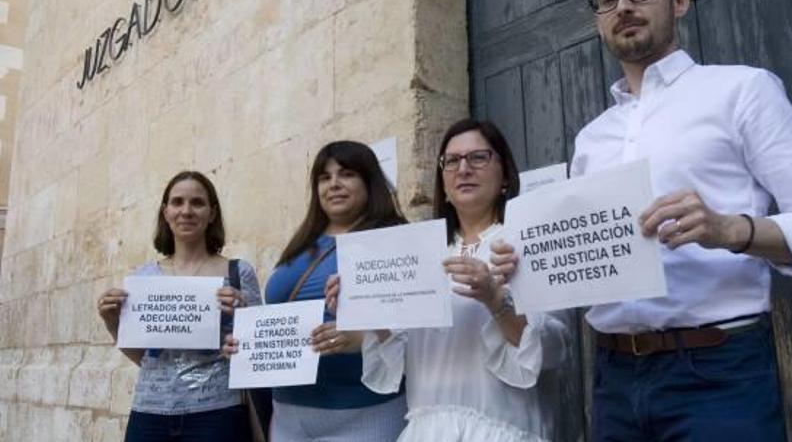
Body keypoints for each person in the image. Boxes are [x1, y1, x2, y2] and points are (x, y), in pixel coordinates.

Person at [495, 0, 792, 440]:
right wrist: (525, 264)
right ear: (599, 19)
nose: (623, 5)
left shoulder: (742, 91)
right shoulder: (591, 139)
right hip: (613, 378)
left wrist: (732, 229)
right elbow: (583, 265)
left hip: (719, 373)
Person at [327, 119, 571, 441]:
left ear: (505, 175)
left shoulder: (527, 240)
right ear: (443, 181)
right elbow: (400, 355)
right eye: (452, 161)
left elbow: (555, 347)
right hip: (428, 428)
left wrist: (497, 302)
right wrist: (366, 306)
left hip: (500, 425)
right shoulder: (421, 253)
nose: (463, 169)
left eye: (478, 158)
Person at [224, 140, 407, 441]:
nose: (334, 184)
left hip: (364, 411)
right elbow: (281, 316)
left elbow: (418, 329)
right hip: (289, 414)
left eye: (346, 174)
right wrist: (247, 340)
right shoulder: (301, 245)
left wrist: (364, 338)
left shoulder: (394, 238)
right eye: (324, 177)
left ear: (369, 180)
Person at [97, 171, 262, 442]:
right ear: (166, 212)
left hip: (218, 413)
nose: (186, 211)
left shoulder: (238, 272)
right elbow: (144, 357)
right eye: (177, 202)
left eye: (197, 203)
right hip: (149, 414)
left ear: (212, 213)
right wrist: (111, 322)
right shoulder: (143, 278)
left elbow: (258, 351)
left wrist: (243, 318)